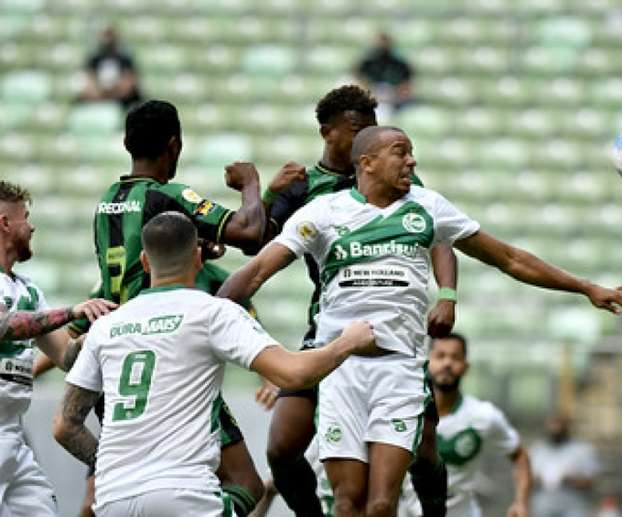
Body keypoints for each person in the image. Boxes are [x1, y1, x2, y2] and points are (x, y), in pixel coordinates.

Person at [217, 125, 622, 515]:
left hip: (399, 370)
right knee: (348, 502)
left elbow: (510, 258)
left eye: (412, 153)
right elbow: (254, 273)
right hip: (340, 372)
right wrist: (202, 315)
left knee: (382, 504)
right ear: (366, 163)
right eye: (401, 153)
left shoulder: (427, 207)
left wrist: (586, 286)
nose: (412, 161)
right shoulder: (324, 213)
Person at [53, 212, 376, 516]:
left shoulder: (107, 327)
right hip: (185, 495)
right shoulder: (212, 313)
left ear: (144, 262)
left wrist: (114, 467)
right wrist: (348, 342)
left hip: (113, 499)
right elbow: (293, 374)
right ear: (197, 256)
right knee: (247, 489)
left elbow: (66, 426)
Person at [259, 85, 456, 517]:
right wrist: (268, 194)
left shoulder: (395, 178)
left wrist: (447, 293)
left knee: (424, 451)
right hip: (329, 329)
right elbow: (253, 246)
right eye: (360, 128)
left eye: (373, 126)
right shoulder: (302, 188)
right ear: (330, 133)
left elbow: (437, 235)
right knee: (281, 448)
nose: (371, 134)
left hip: (391, 339)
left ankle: (436, 508)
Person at [72, 99, 267, 517]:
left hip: (118, 365)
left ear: (126, 142)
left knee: (117, 489)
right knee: (245, 484)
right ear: (174, 145)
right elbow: (251, 233)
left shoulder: (107, 200)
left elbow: (155, 258)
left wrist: (201, 249)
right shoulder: (167, 194)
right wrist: (250, 184)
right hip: (169, 357)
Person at [0, 180, 115, 515]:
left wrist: (104, 329)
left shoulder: (29, 290)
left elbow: (66, 356)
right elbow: (5, 326)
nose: (31, 226)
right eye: (25, 217)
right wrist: (71, 311)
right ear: (5, 223)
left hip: (13, 435)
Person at [400, 333, 531, 517]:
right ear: (427, 361)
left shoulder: (484, 416)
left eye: (455, 357)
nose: (447, 363)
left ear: (466, 366)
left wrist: (521, 502)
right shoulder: (405, 413)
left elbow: (519, 456)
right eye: (440, 356)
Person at [530, 415, 600, 517]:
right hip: (543, 508)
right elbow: (526, 478)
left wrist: (568, 480)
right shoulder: (537, 450)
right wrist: (543, 479)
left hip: (573, 508)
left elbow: (591, 480)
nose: (555, 430)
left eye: (559, 426)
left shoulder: (582, 450)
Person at [77, 25, 142, 109]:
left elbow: (128, 84)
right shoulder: (94, 60)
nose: (108, 40)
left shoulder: (125, 59)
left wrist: (112, 94)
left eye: (110, 35)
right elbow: (89, 83)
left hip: (122, 102)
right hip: (98, 101)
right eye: (106, 36)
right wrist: (100, 95)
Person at [356, 33, 414, 114]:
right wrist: (373, 94)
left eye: (384, 43)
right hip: (371, 99)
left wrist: (393, 95)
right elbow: (358, 81)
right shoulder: (366, 64)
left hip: (394, 102)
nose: (382, 46)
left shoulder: (400, 65)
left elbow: (407, 86)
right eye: (379, 43)